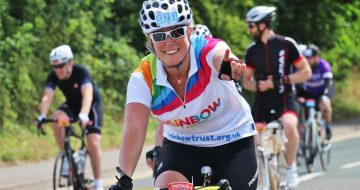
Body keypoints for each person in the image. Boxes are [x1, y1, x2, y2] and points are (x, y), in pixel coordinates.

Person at [109, 0, 257, 189]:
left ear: (189, 32)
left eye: (177, 32)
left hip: (232, 138)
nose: (169, 42)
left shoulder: (205, 50)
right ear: (151, 41)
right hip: (182, 144)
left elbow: (221, 54)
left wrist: (230, 65)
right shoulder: (143, 77)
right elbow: (134, 129)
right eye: (160, 35)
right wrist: (124, 178)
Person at [242, 6, 312, 189]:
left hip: (285, 96)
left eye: (252, 25)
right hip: (262, 101)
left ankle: (290, 168)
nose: (249, 30)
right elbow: (246, 81)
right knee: (252, 138)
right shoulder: (252, 51)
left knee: (289, 125)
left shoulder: (286, 44)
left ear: (263, 25)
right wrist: (258, 85)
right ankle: (262, 178)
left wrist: (282, 80)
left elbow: (306, 71)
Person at [36, 45, 104, 190]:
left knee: (93, 142)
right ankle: (68, 156)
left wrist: (84, 114)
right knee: (56, 119)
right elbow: (47, 96)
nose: (57, 70)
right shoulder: (54, 75)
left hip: (91, 106)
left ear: (70, 62)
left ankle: (98, 182)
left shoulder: (81, 72)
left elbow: (88, 94)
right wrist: (42, 115)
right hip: (73, 105)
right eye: (54, 67)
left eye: (60, 66)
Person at [298, 44, 334, 140]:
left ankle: (328, 126)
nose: (308, 60)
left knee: (325, 102)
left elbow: (328, 81)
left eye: (310, 58)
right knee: (299, 106)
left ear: (316, 57)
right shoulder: (303, 66)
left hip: (323, 91)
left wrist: (325, 94)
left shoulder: (324, 65)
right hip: (309, 92)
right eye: (306, 58)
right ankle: (307, 135)